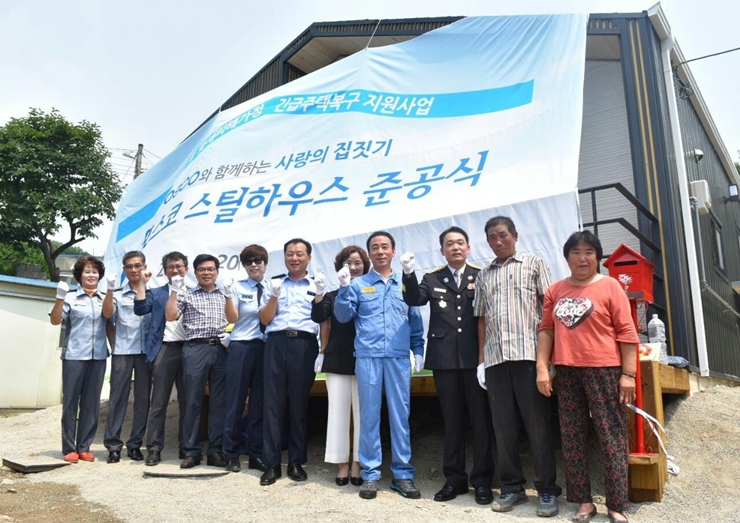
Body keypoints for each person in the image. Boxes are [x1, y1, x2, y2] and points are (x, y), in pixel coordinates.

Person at [536, 231, 638, 523]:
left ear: (598, 257)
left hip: (604, 369)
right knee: (572, 437)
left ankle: (616, 504)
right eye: (576, 252)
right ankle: (584, 502)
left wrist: (628, 374)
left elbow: (627, 331)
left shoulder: (610, 286)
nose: (583, 258)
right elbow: (547, 330)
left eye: (589, 252)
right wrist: (542, 368)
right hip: (567, 370)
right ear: (567, 257)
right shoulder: (555, 290)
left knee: (611, 435)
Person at [473, 216, 561, 517]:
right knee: (503, 429)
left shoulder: (534, 264)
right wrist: (482, 361)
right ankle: (511, 487)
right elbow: (482, 319)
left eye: (503, 235)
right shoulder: (483, 275)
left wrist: (547, 359)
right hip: (496, 360)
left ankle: (547, 489)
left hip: (529, 357)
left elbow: (549, 310)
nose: (498, 242)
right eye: (492, 238)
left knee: (538, 427)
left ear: (515, 235)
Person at [401, 226, 495, 504]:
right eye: (450, 244)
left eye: (460, 243)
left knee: (481, 422)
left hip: (475, 360)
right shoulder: (432, 278)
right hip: (444, 360)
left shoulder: (481, 275)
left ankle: (482, 482)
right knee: (451, 422)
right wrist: (408, 273)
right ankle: (454, 480)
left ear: (468, 248)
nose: (455, 247)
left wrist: (485, 359)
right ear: (442, 250)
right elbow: (413, 299)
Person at [334, 231, 425, 501]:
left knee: (400, 417)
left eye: (385, 246)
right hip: (368, 357)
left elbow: (415, 320)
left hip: (398, 358)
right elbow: (343, 316)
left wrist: (418, 350)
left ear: (393, 251)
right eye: (375, 247)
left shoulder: (405, 283)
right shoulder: (358, 285)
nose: (380, 251)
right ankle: (371, 474)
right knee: (369, 417)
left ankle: (402, 474)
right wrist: (343, 288)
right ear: (370, 254)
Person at [165, 253, 238, 468]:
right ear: (195, 273)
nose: (207, 273)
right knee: (192, 401)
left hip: (220, 348)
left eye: (211, 269)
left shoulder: (224, 294)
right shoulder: (187, 294)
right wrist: (174, 291)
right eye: (202, 269)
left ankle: (216, 450)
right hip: (195, 348)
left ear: (217, 271)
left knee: (219, 401)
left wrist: (229, 296)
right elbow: (170, 316)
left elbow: (233, 318)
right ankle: (192, 451)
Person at [258, 238, 319, 485]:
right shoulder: (273, 283)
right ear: (284, 257)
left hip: (304, 345)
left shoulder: (316, 285)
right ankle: (272, 464)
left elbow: (323, 320)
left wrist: (323, 351)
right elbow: (265, 319)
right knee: (272, 405)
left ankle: (296, 461)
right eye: (290, 254)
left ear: (309, 258)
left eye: (299, 254)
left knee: (299, 405)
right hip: (276, 343)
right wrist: (274, 296)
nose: (294, 258)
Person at [311, 245, 370, 486]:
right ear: (339, 268)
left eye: (357, 263)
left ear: (365, 266)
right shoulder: (332, 295)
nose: (353, 267)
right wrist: (319, 292)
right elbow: (319, 318)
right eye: (347, 263)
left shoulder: (371, 292)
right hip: (337, 358)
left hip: (367, 358)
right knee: (337, 412)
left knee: (364, 414)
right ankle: (341, 464)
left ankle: (358, 462)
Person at [50, 256, 109, 463]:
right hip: (74, 356)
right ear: (80, 276)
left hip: (98, 356)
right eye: (87, 271)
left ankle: (84, 446)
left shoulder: (105, 298)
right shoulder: (70, 297)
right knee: (70, 402)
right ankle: (69, 448)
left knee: (91, 403)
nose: (91, 275)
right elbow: (55, 320)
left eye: (95, 271)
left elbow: (110, 319)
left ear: (99, 275)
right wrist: (59, 298)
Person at [134, 251, 189, 466]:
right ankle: (154, 449)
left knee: (188, 402)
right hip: (164, 349)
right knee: (158, 402)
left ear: (186, 269)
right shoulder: (157, 293)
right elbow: (140, 308)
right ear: (164, 271)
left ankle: (187, 448)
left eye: (179, 266)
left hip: (189, 350)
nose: (175, 270)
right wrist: (142, 284)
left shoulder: (194, 292)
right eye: (170, 267)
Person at [223, 244, 270, 473]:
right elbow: (233, 318)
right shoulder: (238, 287)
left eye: (258, 260)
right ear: (244, 266)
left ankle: (255, 453)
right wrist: (227, 296)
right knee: (236, 402)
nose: (254, 265)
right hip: (242, 346)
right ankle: (230, 453)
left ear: (265, 263)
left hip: (265, 347)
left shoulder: (273, 287)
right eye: (249, 262)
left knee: (259, 404)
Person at [102, 250, 152, 464]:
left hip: (146, 353)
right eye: (129, 266)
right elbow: (108, 318)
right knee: (117, 399)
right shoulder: (118, 294)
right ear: (124, 269)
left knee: (142, 400)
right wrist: (115, 345)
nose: (134, 270)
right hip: (123, 352)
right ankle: (113, 446)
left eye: (138, 265)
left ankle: (135, 444)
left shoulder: (153, 292)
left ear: (144, 267)